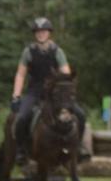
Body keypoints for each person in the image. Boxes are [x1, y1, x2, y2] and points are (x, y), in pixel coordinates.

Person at [10, 17, 88, 166]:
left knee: (81, 115)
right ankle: (21, 151)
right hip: (34, 91)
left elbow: (66, 73)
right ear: (35, 34)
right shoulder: (28, 52)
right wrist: (16, 96)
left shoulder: (57, 52)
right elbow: (20, 74)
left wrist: (63, 86)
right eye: (38, 32)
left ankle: (79, 148)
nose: (41, 35)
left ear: (49, 33)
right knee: (21, 118)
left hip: (55, 93)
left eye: (43, 32)